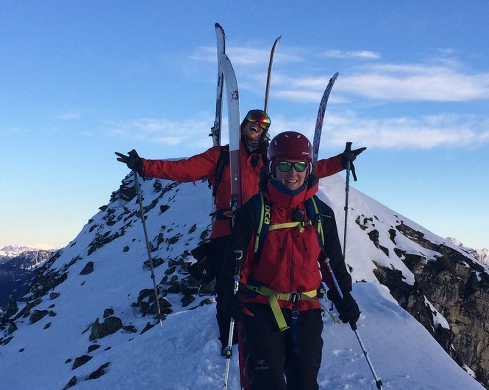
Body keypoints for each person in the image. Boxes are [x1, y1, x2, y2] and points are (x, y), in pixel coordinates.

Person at [116, 111, 364, 342]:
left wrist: (341, 161)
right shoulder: (222, 156)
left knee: (265, 283)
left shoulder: (271, 158)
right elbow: (184, 169)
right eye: (252, 124)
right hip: (228, 228)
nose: (256, 128)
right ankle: (231, 339)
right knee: (229, 286)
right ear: (243, 125)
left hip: (266, 226)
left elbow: (304, 168)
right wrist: (144, 165)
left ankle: (263, 336)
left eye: (262, 126)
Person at [229, 131, 360, 390]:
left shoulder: (321, 214)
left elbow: (331, 264)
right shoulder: (254, 211)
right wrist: (232, 296)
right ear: (271, 167)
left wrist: (344, 298)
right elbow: (236, 265)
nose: (292, 173)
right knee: (269, 389)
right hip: (261, 309)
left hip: (307, 310)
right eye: (284, 164)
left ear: (309, 168)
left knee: (305, 387)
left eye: (300, 165)